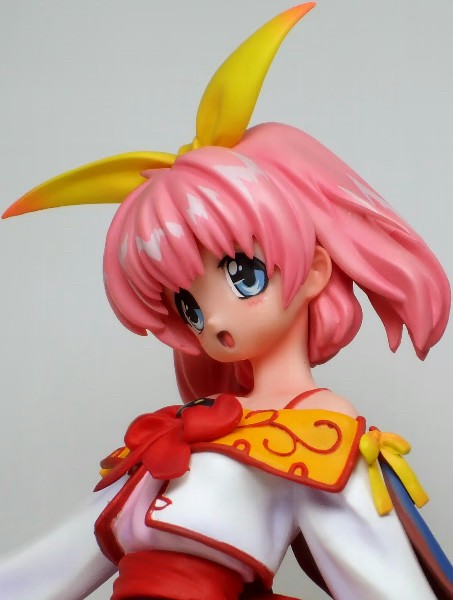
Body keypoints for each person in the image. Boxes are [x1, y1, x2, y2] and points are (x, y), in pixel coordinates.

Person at [1, 4, 452, 599]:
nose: (212, 318)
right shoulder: (182, 426)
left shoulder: (320, 434)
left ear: (315, 271)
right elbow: (58, 562)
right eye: (189, 306)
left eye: (243, 276)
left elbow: (382, 584)